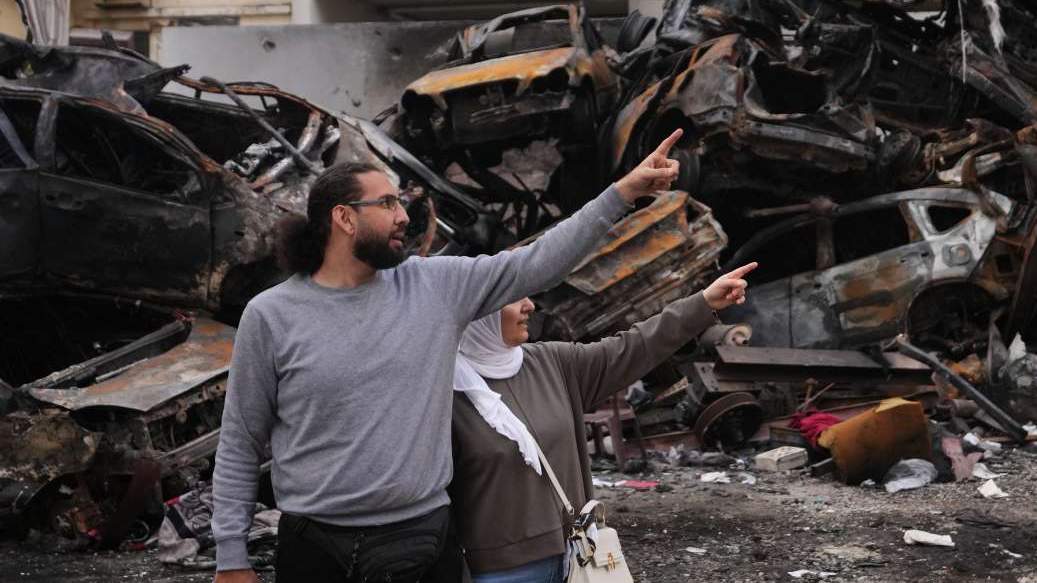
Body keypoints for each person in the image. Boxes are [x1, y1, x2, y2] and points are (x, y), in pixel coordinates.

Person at [211, 131, 685, 583]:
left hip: (419, 540)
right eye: (387, 203)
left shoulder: (433, 286)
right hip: (315, 548)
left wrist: (623, 193)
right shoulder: (271, 316)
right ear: (344, 218)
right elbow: (240, 440)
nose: (403, 216)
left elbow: (538, 263)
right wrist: (231, 555)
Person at [450, 261, 758, 582]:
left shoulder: (552, 363)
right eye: (514, 298)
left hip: (577, 558)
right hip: (498, 573)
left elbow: (634, 346)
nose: (530, 306)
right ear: (478, 311)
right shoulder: (445, 390)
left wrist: (703, 303)